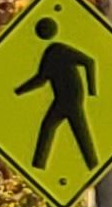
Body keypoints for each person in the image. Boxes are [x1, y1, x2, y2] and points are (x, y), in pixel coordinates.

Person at [24, 16, 99, 182]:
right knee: (51, 128)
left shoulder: (59, 50)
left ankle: (92, 165)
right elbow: (41, 79)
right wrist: (19, 91)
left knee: (79, 134)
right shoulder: (50, 53)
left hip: (71, 98)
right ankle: (39, 166)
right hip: (62, 98)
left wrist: (92, 89)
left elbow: (89, 62)